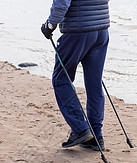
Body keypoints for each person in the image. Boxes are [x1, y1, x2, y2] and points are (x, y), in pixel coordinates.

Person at [41, 0, 110, 151]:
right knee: (95, 83)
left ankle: (81, 129)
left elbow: (62, 4)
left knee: (60, 79)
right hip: (101, 31)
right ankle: (96, 136)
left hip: (78, 31)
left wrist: (50, 25)